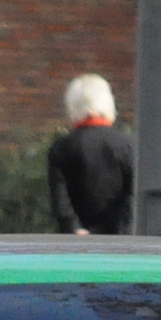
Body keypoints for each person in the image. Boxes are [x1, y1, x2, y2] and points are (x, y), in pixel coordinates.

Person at [48, 74, 134, 235]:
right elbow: (132, 197)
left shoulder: (61, 148)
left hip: (76, 243)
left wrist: (74, 229)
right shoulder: (127, 144)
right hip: (119, 239)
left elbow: (60, 201)